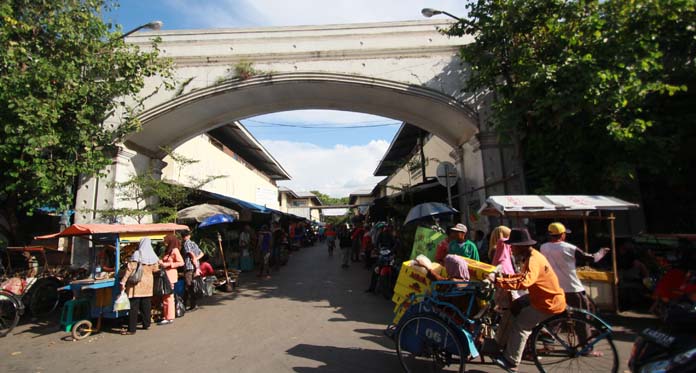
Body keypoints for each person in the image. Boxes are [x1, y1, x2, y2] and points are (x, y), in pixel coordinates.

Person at [492, 228, 566, 372]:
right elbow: (521, 276)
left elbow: (525, 281)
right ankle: (502, 344)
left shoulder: (533, 260)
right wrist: (504, 278)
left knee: (521, 325)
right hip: (540, 296)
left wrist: (500, 282)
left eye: (513, 245)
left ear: (521, 246)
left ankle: (511, 361)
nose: (511, 248)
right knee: (515, 307)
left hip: (547, 302)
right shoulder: (531, 256)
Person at [540, 222, 609, 312]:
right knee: (581, 314)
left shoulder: (543, 247)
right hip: (572, 287)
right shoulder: (569, 248)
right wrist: (602, 252)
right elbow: (592, 259)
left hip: (555, 287)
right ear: (562, 235)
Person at [119, 238, 159, 335]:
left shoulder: (137, 254)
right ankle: (147, 324)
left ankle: (131, 329)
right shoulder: (153, 255)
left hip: (136, 284)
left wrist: (123, 282)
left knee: (134, 306)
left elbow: (130, 269)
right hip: (148, 283)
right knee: (146, 305)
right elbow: (156, 269)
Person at [158, 233, 184, 325]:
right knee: (166, 295)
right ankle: (166, 316)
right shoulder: (167, 250)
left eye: (165, 241)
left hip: (171, 276)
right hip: (166, 275)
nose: (164, 243)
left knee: (169, 296)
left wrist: (169, 264)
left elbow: (181, 262)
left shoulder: (175, 250)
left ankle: (169, 317)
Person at [181, 231, 204, 311]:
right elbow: (202, 253)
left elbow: (190, 253)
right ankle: (187, 303)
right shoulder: (194, 243)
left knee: (189, 285)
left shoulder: (186, 243)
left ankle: (193, 304)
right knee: (191, 285)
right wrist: (197, 260)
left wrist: (194, 258)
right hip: (195, 266)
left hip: (189, 266)